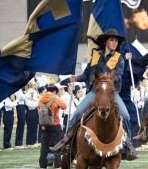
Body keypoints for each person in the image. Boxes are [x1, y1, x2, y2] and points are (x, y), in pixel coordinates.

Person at [50, 29, 137, 161]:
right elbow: (86, 75)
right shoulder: (95, 56)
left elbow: (118, 78)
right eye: (112, 40)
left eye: (116, 41)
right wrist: (75, 78)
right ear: (106, 42)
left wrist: (106, 80)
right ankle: (66, 141)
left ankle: (128, 145)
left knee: (125, 115)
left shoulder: (119, 58)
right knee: (77, 112)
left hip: (111, 94)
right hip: (94, 91)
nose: (115, 43)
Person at [38, 84, 66, 169]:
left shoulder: (41, 98)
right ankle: (57, 164)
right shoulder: (55, 98)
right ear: (55, 91)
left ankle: (42, 165)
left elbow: (38, 108)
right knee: (57, 144)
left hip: (44, 125)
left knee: (44, 145)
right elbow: (64, 106)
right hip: (55, 123)